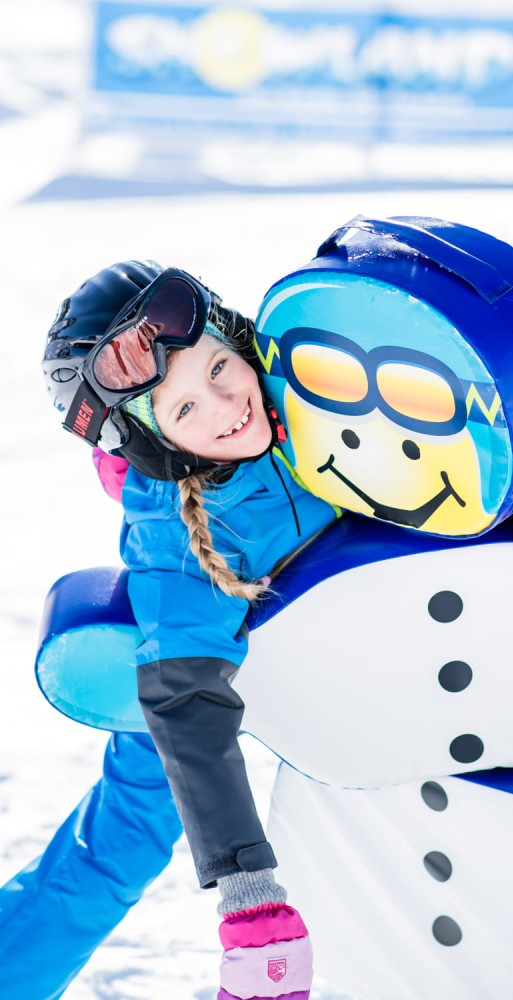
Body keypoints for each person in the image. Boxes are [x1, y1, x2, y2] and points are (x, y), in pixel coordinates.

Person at [37, 260, 339, 999]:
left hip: (333, 649)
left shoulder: (320, 390)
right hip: (182, 681)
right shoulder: (173, 534)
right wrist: (250, 896)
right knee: (121, 842)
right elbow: (185, 697)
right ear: (159, 448)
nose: (225, 405)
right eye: (182, 410)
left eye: (217, 366)